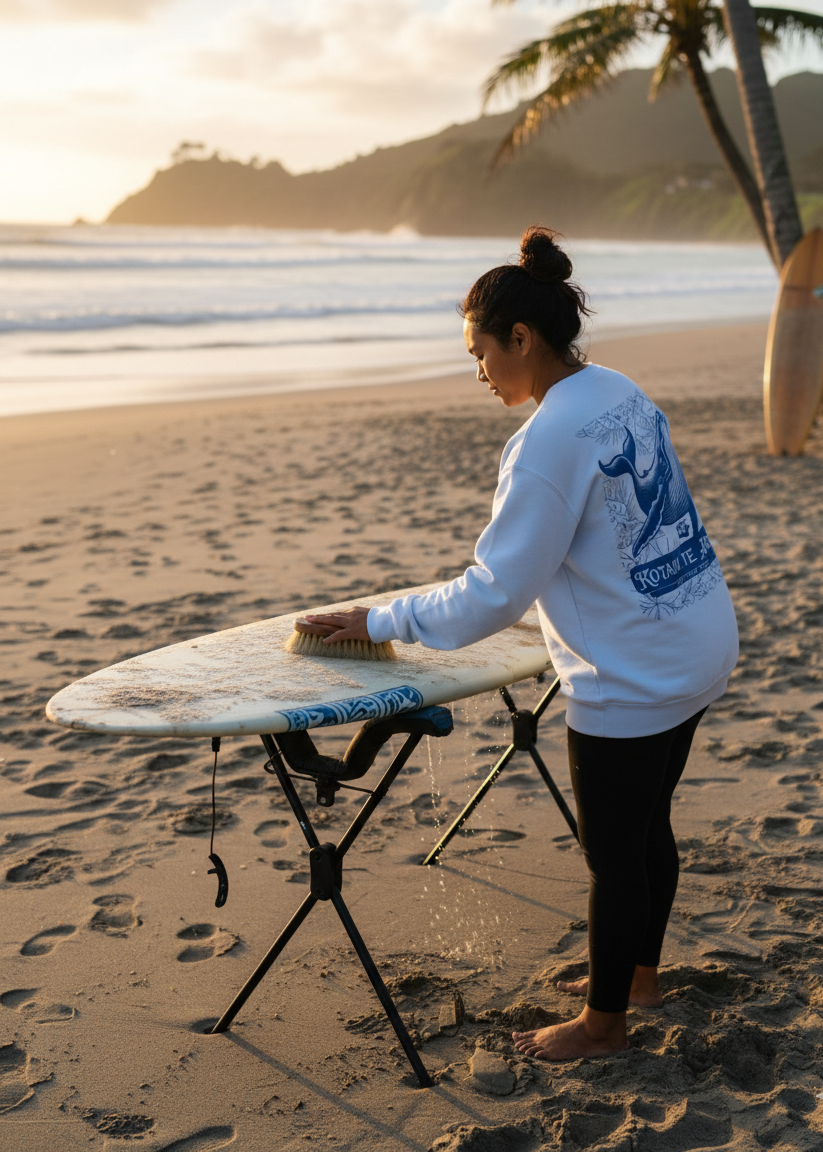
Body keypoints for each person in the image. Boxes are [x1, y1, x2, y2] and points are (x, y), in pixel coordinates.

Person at [302, 226, 739, 1062]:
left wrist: (377, 619)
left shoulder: (543, 446)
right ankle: (639, 978)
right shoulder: (613, 387)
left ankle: (604, 1026)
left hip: (636, 673)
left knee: (613, 856)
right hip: (698, 638)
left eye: (479, 351)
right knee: (648, 828)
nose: (476, 371)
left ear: (520, 338)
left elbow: (492, 597)